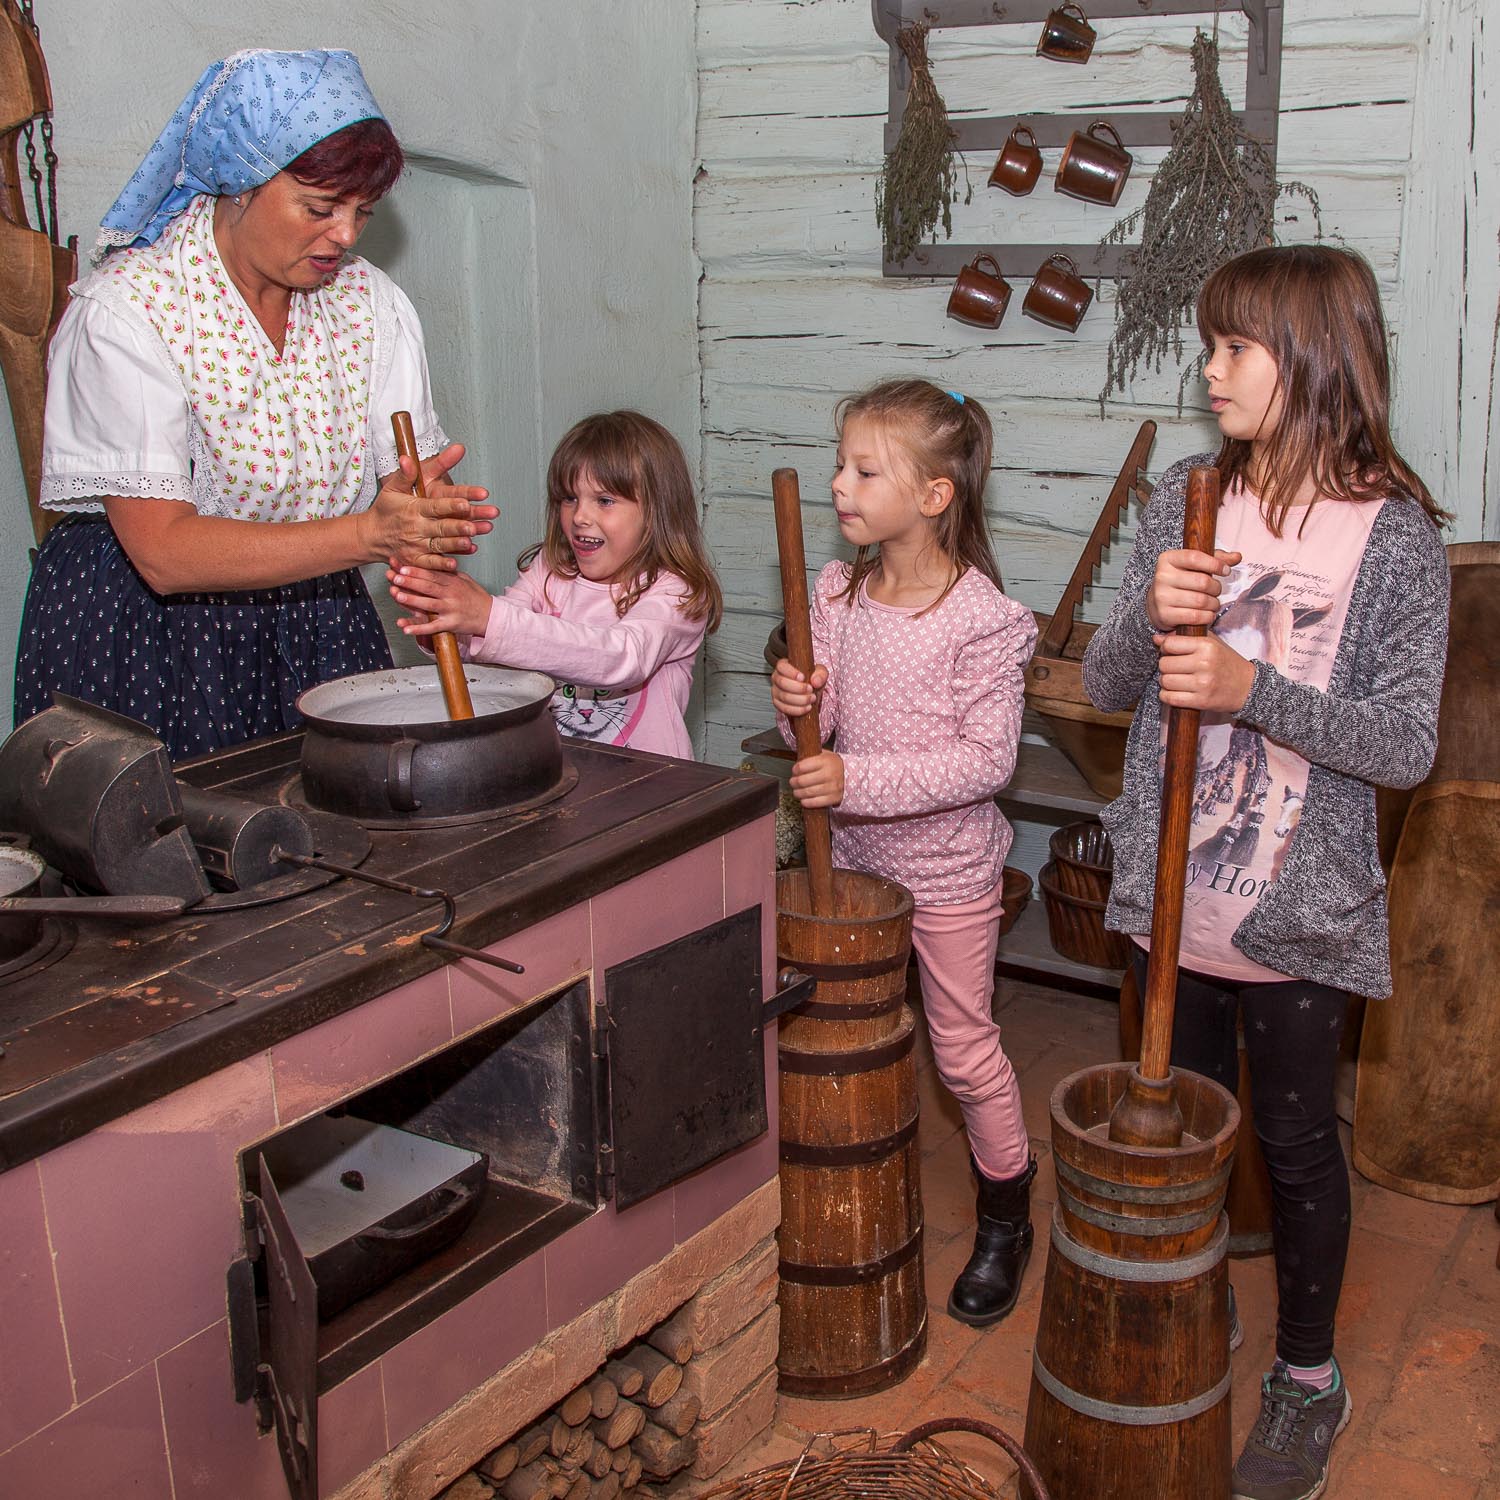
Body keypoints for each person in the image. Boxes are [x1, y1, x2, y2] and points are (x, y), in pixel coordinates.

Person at [1082, 245, 1450, 1500]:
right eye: (1210, 344)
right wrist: (1150, 620)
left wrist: (1256, 689)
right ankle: (1198, 1318)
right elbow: (1104, 686)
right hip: (1171, 896)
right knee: (1179, 1132)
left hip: (1297, 911)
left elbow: (1407, 743)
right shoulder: (1187, 492)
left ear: (1309, 360)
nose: (1209, 368)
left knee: (1294, 1145)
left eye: (1232, 346)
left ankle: (1307, 1378)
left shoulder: (1395, 538)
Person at [15, 48, 496, 760]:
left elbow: (407, 482)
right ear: (239, 183)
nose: (346, 234)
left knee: (340, 843)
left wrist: (424, 508)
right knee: (172, 855)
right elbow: (164, 554)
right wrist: (372, 533)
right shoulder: (130, 313)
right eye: (320, 207)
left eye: (362, 211)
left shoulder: (369, 306)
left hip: (315, 619)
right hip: (148, 636)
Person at [770, 379, 1038, 1326]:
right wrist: (800, 702)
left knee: (963, 1052)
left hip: (949, 874)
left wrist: (854, 778)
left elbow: (985, 760)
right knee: (849, 1038)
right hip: (852, 873)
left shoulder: (982, 619)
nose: (839, 483)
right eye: (839, 462)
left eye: (865, 469)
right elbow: (828, 720)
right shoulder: (838, 593)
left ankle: (1007, 1212)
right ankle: (848, 1179)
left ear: (934, 496)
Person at [386, 410, 721, 759]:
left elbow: (624, 658)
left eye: (604, 501)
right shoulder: (551, 571)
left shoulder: (675, 592)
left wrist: (487, 616)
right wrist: (449, 623)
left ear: (657, 512)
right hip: (559, 776)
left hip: (654, 793)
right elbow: (500, 641)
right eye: (569, 498)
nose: (580, 517)